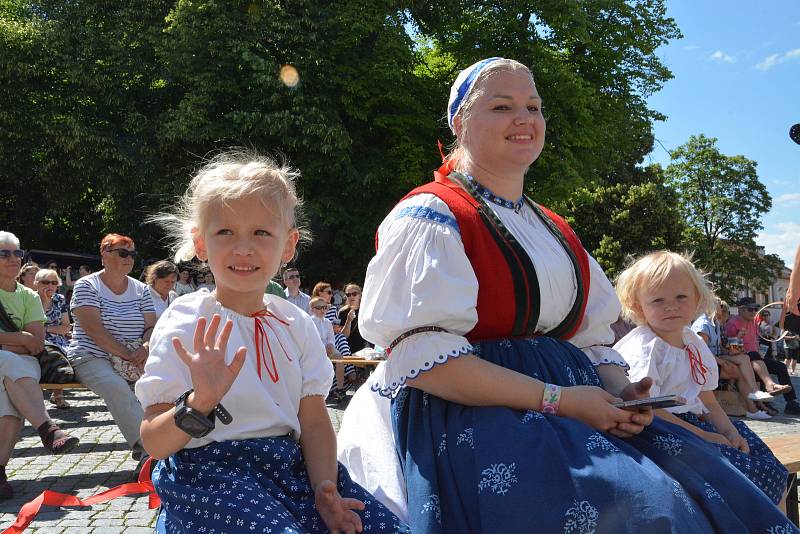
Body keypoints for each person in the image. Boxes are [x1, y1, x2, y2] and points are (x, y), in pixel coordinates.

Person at [338, 58, 792, 532]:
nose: (524, 118)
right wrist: (561, 400)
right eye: (502, 106)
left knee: (739, 470)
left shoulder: (554, 229)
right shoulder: (431, 215)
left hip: (579, 404)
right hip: (475, 414)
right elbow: (424, 359)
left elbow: (590, 343)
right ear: (460, 122)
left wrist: (623, 397)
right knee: (649, 509)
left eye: (533, 106)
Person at [136, 150, 408, 533]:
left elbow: (313, 423)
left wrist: (325, 489)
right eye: (225, 232)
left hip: (291, 471)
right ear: (201, 243)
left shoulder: (296, 323)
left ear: (288, 245)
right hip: (213, 477)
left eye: (261, 232)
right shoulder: (185, 322)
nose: (243, 248)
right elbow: (154, 443)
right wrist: (201, 403)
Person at [614, 251, 787, 505]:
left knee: (760, 459)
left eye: (681, 297)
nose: (671, 306)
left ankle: (773, 519)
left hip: (694, 424)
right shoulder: (647, 348)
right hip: (658, 428)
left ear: (697, 299)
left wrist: (728, 431)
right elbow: (647, 409)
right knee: (733, 478)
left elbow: (708, 401)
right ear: (639, 306)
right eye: (657, 300)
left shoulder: (693, 342)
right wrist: (702, 435)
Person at [0, 232, 79, 502]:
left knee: (9, 400)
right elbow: (27, 340)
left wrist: (15, 342)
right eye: (4, 253)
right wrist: (18, 338)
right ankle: (47, 428)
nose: (13, 258)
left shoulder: (28, 297)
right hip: (18, 365)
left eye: (16, 253)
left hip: (24, 365)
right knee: (9, 364)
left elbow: (36, 343)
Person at [67, 233, 156, 469]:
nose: (129, 258)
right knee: (117, 389)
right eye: (123, 252)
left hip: (135, 356)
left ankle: (175, 445)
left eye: (133, 254)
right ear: (104, 254)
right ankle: (150, 450)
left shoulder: (141, 289)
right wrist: (130, 355)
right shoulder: (87, 286)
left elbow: (150, 327)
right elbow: (94, 331)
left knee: (160, 389)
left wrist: (145, 347)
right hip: (91, 355)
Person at [692, 298, 773, 419]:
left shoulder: (714, 324)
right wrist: (722, 362)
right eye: (720, 306)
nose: (722, 309)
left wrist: (730, 352)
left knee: (744, 358)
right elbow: (701, 353)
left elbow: (719, 348)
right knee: (740, 369)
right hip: (704, 363)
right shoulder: (703, 325)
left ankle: (755, 398)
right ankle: (753, 406)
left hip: (715, 357)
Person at [725, 297, 800, 415]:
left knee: (781, 367)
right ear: (740, 310)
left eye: (756, 309)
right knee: (755, 359)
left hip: (755, 358)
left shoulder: (754, 322)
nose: (754, 312)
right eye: (750, 309)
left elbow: (759, 340)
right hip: (741, 359)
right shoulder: (732, 324)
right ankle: (767, 396)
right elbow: (730, 350)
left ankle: (791, 402)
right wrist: (738, 338)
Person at [34, 269, 73, 410]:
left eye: (54, 282)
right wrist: (44, 301)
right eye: (45, 282)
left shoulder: (60, 299)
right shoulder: (31, 298)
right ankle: (57, 396)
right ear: (37, 284)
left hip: (59, 339)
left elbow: (66, 326)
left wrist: (47, 329)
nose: (50, 285)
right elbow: (35, 324)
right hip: (37, 339)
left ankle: (57, 394)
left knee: (68, 355)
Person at [312, 281, 356, 394]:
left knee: (340, 341)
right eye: (329, 292)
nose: (331, 294)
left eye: (331, 292)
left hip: (331, 341)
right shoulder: (311, 313)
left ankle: (340, 388)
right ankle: (350, 372)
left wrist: (331, 340)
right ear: (319, 293)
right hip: (316, 346)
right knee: (340, 339)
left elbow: (332, 334)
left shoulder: (331, 311)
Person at [338, 283, 370, 353]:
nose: (351, 296)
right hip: (349, 349)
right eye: (348, 295)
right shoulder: (342, 312)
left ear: (360, 295)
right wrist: (348, 320)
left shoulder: (367, 310)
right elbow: (343, 336)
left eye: (354, 294)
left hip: (367, 348)